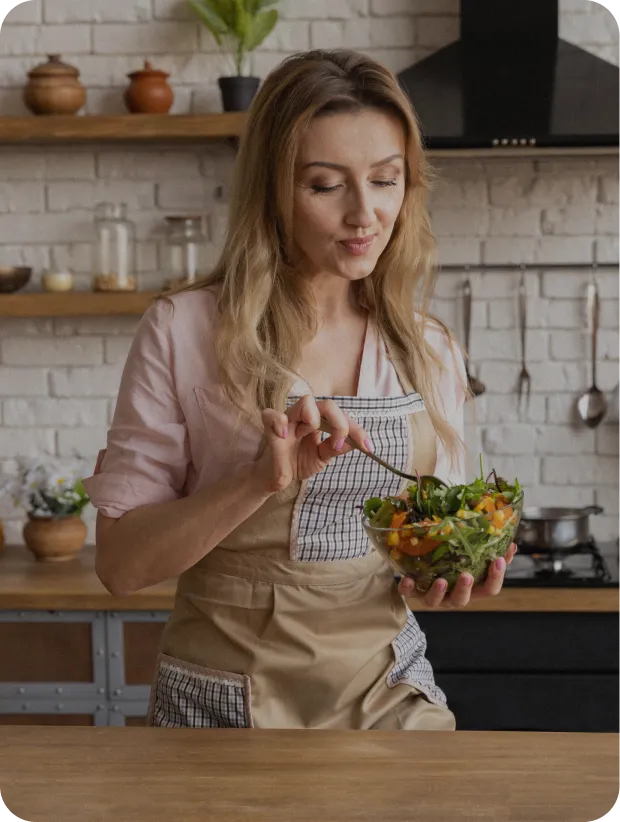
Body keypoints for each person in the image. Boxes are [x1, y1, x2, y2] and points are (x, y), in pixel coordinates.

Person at [83, 48, 516, 732]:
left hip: (386, 695)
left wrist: (442, 576)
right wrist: (258, 479)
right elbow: (121, 567)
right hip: (225, 704)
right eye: (325, 185)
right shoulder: (183, 331)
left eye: (385, 180)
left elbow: (417, 565)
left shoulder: (428, 347)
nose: (365, 214)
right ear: (273, 190)